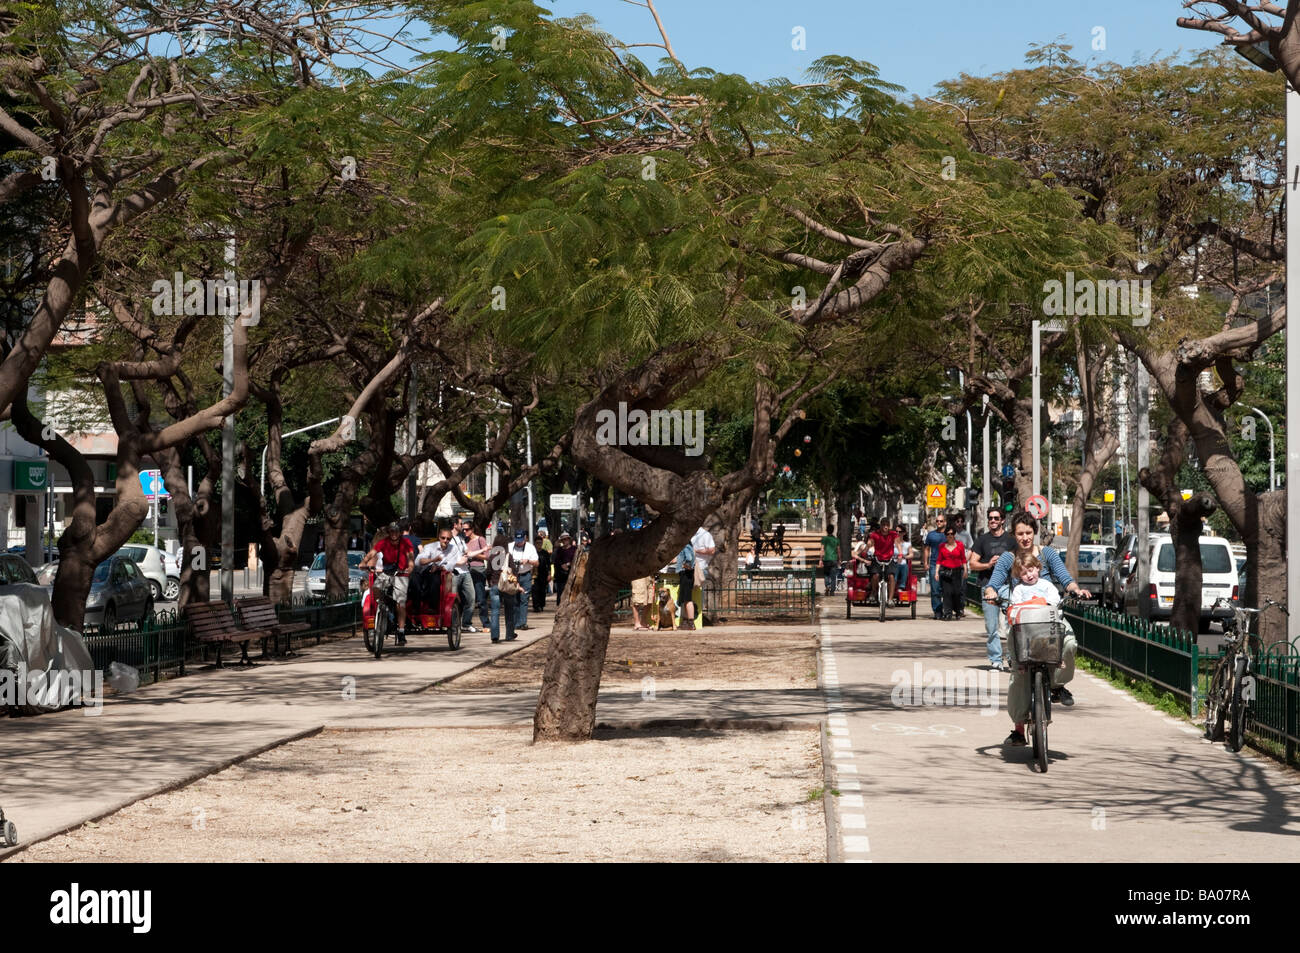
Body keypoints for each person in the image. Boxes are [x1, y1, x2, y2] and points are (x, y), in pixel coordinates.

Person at [983, 511, 1092, 747]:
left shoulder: (1047, 554)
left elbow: (1065, 578)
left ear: (1035, 532)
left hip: (1050, 618)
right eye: (1020, 533)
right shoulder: (1007, 558)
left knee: (1070, 643)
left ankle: (1057, 684)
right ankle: (1019, 729)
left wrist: (1075, 589)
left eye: (1029, 533)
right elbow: (995, 581)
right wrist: (991, 592)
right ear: (1014, 534)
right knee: (1019, 672)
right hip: (1022, 622)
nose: (1025, 538)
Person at [968, 507, 1012, 671]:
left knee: (1013, 623)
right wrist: (988, 564)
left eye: (996, 518)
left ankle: (1013, 658)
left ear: (1002, 520)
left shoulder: (1011, 540)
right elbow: (972, 563)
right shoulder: (982, 540)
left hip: (1008, 585)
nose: (992, 521)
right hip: (988, 586)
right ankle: (996, 660)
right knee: (991, 626)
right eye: (990, 518)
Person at [416, 524, 477, 634]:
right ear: (439, 537)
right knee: (412, 581)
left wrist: (439, 567)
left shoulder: (453, 549)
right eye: (443, 538)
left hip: (440, 573)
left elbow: (451, 565)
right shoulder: (430, 547)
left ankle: (432, 606)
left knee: (435, 580)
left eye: (448, 539)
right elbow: (419, 561)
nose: (445, 540)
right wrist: (432, 561)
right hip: (424, 571)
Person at [368, 522, 414, 644]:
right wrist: (364, 562)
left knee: (400, 603)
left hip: (401, 574)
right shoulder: (384, 542)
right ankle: (381, 607)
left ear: (399, 532)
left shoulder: (405, 542)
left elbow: (410, 555)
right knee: (376, 587)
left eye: (396, 531)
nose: (394, 534)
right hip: (387, 573)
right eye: (391, 531)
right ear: (389, 532)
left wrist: (410, 565)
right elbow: (372, 553)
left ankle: (401, 630)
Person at [486, 540, 518, 643]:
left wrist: (490, 582)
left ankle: (495, 636)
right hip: (506, 586)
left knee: (495, 611)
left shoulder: (491, 557)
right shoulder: (509, 556)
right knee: (509, 610)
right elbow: (514, 571)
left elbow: (488, 572)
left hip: (495, 586)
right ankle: (509, 634)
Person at [935, 526, 967, 620]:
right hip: (946, 572)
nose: (950, 536)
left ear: (954, 535)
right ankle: (948, 613)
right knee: (947, 593)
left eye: (951, 534)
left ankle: (958, 611)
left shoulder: (960, 545)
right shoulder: (942, 546)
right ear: (945, 535)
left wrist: (965, 570)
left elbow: (963, 559)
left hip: (957, 571)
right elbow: (939, 560)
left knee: (957, 592)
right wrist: (936, 572)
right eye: (948, 534)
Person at [510, 531, 539, 629]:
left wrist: (528, 561)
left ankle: (523, 622)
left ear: (525, 538)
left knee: (524, 599)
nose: (518, 543)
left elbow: (536, 563)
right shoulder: (510, 546)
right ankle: (515, 623)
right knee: (514, 600)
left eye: (521, 541)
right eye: (517, 541)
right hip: (513, 576)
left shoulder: (530, 548)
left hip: (525, 575)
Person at [465, 523, 491, 630]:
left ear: (472, 529)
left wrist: (473, 554)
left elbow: (487, 556)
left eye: (467, 529)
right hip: (467, 570)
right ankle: (466, 622)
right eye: (463, 530)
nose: (465, 532)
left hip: (478, 570)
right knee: (468, 598)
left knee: (480, 598)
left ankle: (486, 623)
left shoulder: (480, 539)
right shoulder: (465, 541)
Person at [869, 518, 901, 603]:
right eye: (883, 525)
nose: (885, 527)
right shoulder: (875, 534)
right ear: (880, 526)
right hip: (878, 559)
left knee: (891, 576)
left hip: (889, 559)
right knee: (875, 576)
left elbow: (898, 544)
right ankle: (873, 592)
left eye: (887, 525)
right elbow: (869, 544)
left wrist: (900, 554)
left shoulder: (893, 534)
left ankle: (890, 599)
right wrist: (863, 551)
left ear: (889, 526)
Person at [922, 514, 948, 620]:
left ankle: (947, 610)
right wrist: (925, 562)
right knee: (935, 589)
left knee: (947, 590)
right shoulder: (931, 535)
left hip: (947, 564)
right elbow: (926, 549)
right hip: (933, 564)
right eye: (937, 521)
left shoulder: (949, 534)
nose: (939, 523)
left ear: (945, 522)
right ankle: (937, 611)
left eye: (941, 521)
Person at [673, 540, 696, 630]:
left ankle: (691, 623)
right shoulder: (688, 546)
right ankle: (686, 622)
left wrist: (684, 565)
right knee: (685, 600)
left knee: (688, 599)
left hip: (686, 574)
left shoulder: (685, 545)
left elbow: (689, 558)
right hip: (687, 574)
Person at [553, 532, 577, 604]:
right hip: (561, 575)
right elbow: (556, 562)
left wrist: (569, 565)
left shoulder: (574, 549)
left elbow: (576, 559)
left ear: (569, 540)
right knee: (561, 593)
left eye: (566, 539)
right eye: (563, 540)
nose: (565, 541)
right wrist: (562, 566)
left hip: (572, 574)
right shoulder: (559, 550)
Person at [533, 532, 552, 613]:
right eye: (537, 543)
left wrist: (549, 574)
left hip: (543, 575)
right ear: (535, 543)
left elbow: (549, 564)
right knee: (535, 591)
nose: (539, 544)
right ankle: (536, 606)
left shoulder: (545, 553)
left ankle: (541, 605)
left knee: (542, 591)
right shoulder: (532, 552)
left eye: (540, 543)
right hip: (534, 575)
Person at [820, 529, 840, 594]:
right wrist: (839, 559)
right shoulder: (836, 539)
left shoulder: (824, 539)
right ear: (833, 530)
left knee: (826, 575)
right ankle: (832, 590)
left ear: (827, 530)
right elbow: (838, 550)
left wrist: (820, 559)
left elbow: (822, 549)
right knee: (833, 576)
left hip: (826, 559)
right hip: (834, 559)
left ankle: (827, 586)